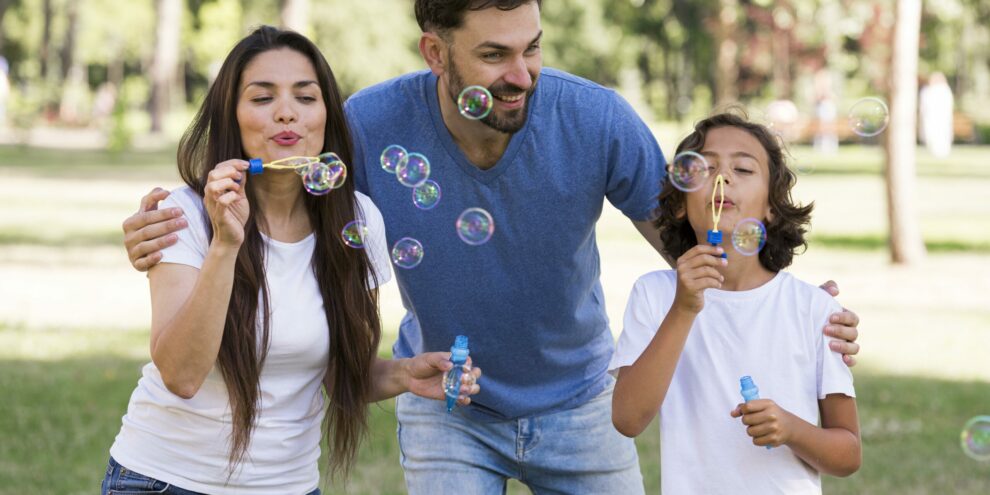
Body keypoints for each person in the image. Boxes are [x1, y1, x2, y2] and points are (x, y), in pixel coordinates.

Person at [121, 2, 863, 493]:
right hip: (446, 400)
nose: (522, 75)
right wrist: (162, 227)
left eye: (533, 48)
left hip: (581, 400)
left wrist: (790, 301)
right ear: (436, 53)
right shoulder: (371, 124)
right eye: (495, 55)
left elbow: (693, 242)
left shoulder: (595, 120)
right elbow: (277, 182)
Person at [103, 26, 480, 495]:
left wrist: (405, 372)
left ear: (325, 114)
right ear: (232, 116)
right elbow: (181, 374)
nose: (287, 113)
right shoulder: (186, 215)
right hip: (165, 481)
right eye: (262, 98)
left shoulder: (358, 219)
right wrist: (225, 243)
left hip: (291, 486)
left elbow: (341, 372)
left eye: (306, 97)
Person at [611, 112, 860, 494]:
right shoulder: (657, 296)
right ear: (680, 204)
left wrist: (792, 428)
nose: (722, 177)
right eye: (705, 167)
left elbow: (848, 454)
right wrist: (684, 307)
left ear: (771, 208)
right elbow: (627, 419)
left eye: (743, 168)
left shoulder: (814, 310)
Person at [919, 72, 954, 158]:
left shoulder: (942, 90)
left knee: (940, 133)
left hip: (939, 117)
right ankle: (935, 151)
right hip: (932, 117)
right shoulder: (928, 90)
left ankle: (941, 151)